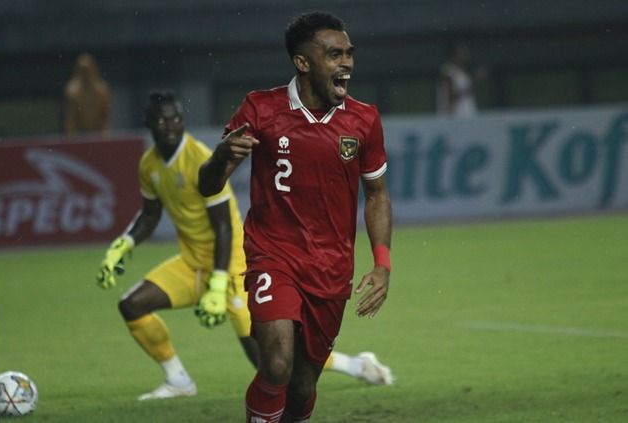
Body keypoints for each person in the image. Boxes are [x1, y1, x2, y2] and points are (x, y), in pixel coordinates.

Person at [97, 90, 393, 401]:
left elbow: (224, 225)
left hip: (233, 264)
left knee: (271, 360)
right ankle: (178, 379)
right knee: (132, 305)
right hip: (192, 264)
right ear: (149, 125)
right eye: (162, 121)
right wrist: (124, 244)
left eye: (176, 119)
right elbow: (151, 212)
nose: (170, 126)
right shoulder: (149, 164)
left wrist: (219, 283)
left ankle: (356, 365)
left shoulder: (197, 157)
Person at [198, 11, 393, 422]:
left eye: (349, 54)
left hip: (332, 268)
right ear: (303, 63)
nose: (347, 63)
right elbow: (208, 185)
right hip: (274, 256)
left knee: (303, 384)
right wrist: (219, 158)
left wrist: (382, 264)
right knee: (277, 363)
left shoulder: (364, 120)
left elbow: (376, 195)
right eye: (334, 54)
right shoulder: (261, 108)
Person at [63, 52, 112, 136]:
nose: (86, 74)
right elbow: (70, 119)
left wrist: (105, 137)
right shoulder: (72, 91)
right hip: (78, 134)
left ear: (94, 69)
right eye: (83, 71)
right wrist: (71, 138)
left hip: (98, 133)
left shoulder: (101, 90)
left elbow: (105, 117)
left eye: (88, 70)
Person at [436, 42, 486, 117]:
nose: (465, 56)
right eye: (461, 53)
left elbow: (470, 92)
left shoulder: (463, 73)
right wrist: (475, 81)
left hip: (468, 114)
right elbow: (450, 96)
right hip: (455, 116)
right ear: (453, 55)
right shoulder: (447, 71)